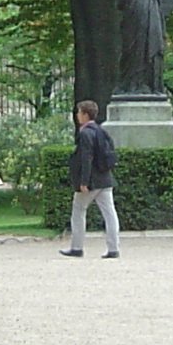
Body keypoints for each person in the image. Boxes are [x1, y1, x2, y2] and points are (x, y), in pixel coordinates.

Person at [61, 99, 120, 259]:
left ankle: (77, 247)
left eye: (79, 113)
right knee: (109, 213)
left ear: (85, 115)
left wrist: (84, 182)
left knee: (78, 211)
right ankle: (113, 248)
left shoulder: (85, 133)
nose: (77, 116)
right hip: (105, 177)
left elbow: (86, 158)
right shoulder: (101, 131)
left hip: (92, 180)